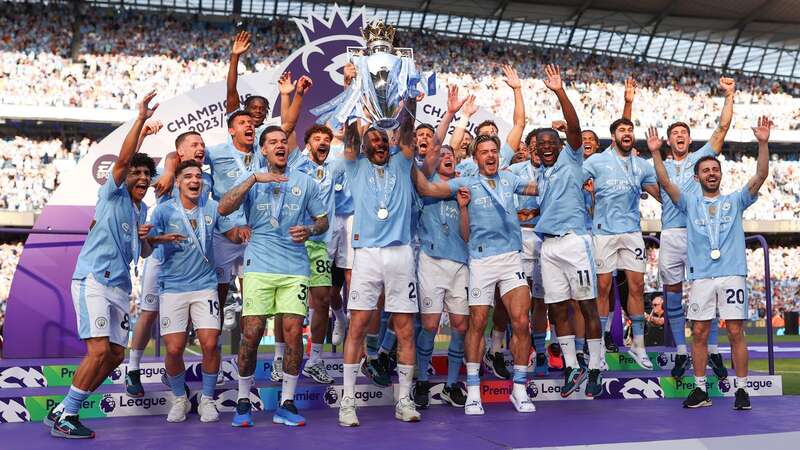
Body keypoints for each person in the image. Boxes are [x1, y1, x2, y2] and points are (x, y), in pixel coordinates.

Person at [47, 92, 159, 439]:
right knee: (97, 351)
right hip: (93, 280)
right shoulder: (112, 193)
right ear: (125, 178)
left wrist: (149, 240)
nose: (141, 178)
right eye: (135, 173)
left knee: (113, 356)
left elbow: (140, 254)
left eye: (147, 174)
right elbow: (125, 160)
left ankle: (64, 408)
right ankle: (69, 414)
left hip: (120, 287)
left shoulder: (141, 211)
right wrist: (139, 121)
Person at [412, 125, 540, 414]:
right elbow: (427, 188)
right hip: (480, 261)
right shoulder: (465, 182)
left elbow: (539, 188)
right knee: (476, 323)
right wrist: (408, 159)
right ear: (475, 158)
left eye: (494, 151)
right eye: (484, 152)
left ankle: (519, 389)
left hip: (511, 258)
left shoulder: (509, 180)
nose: (491, 155)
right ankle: (471, 390)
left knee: (521, 322)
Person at [647, 115, 771, 411]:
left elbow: (761, 176)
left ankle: (741, 390)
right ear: (697, 177)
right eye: (706, 170)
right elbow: (663, 181)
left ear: (720, 175)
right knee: (700, 333)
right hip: (701, 276)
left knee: (735, 332)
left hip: (732, 275)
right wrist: (654, 152)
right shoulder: (688, 203)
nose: (711, 173)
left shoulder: (736, 199)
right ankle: (700, 389)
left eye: (715, 169)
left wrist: (763, 144)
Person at [219, 126, 328, 427]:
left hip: (295, 268)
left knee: (294, 333)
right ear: (263, 150)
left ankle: (287, 403)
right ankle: (243, 401)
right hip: (259, 265)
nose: (280, 145)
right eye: (272, 142)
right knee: (252, 332)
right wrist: (254, 178)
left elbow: (323, 222)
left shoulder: (305, 182)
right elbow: (224, 206)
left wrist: (309, 230)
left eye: (283, 141)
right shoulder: (252, 178)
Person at [338, 96, 433, 427]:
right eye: (372, 139)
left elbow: (407, 130)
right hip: (366, 255)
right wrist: (355, 91)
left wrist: (408, 99)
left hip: (400, 252)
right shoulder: (354, 164)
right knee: (359, 325)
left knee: (405, 328)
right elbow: (351, 134)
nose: (378, 143)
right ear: (364, 145)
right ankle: (347, 400)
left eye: (383, 138)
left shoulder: (402, 161)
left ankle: (404, 399)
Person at [525, 66, 604, 398]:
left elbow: (574, 127)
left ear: (561, 146)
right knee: (556, 307)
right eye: (540, 144)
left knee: (586, 305)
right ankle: (573, 366)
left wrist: (559, 92)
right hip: (548, 247)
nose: (545, 147)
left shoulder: (572, 160)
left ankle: (597, 366)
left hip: (574, 242)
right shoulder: (540, 175)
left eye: (550, 143)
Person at [125, 130, 219, 397]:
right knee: (148, 311)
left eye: (202, 144)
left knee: (188, 321)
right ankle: (133, 368)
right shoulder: (165, 176)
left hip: (194, 261)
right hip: (163, 254)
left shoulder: (207, 178)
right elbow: (165, 161)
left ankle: (173, 372)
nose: (201, 148)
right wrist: (168, 167)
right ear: (179, 154)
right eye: (194, 145)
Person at [148, 159, 242, 423]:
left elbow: (230, 233)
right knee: (175, 349)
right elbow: (147, 244)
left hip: (205, 286)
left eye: (198, 176)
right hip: (173, 287)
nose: (194, 180)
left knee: (211, 344)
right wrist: (156, 239)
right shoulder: (164, 212)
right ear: (177, 181)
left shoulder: (212, 207)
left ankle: (208, 399)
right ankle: (180, 398)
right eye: (188, 176)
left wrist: (242, 233)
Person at [658, 78, 736, 380]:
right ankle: (681, 352)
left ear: (689, 141)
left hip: (698, 233)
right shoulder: (659, 164)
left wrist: (728, 96)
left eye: (684, 133)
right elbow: (655, 189)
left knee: (705, 290)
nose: (680, 136)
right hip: (670, 233)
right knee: (673, 293)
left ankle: (713, 351)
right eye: (675, 133)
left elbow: (721, 130)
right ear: (668, 141)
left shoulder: (699, 160)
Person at [583, 117, 661, 370]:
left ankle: (638, 344)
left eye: (630, 130)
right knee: (603, 286)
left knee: (637, 286)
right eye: (621, 130)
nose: (626, 133)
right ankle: (600, 348)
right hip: (603, 232)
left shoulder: (641, 164)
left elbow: (660, 192)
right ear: (613, 135)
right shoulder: (596, 161)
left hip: (631, 232)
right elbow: (575, 182)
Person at [413, 145, 470, 409]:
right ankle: (422, 380)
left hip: (460, 262)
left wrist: (464, 207)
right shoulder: (425, 183)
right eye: (442, 155)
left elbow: (467, 233)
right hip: (431, 261)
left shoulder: (463, 186)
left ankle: (450, 385)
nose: (447, 157)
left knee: (460, 326)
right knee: (429, 325)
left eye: (451, 155)